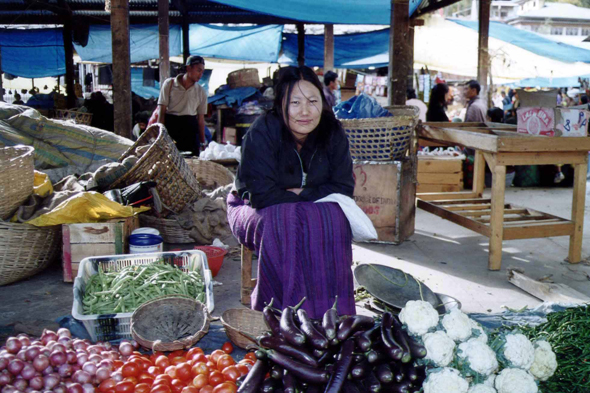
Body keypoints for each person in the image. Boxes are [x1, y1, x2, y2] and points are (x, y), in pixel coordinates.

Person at [228, 65, 356, 319]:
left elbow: (343, 188)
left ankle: (330, 313)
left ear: (324, 101)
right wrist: (309, 194)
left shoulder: (333, 131)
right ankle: (277, 313)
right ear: (281, 104)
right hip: (250, 206)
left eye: (312, 101)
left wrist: (300, 193)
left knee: (334, 218)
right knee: (283, 219)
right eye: (295, 102)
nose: (305, 111)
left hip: (309, 203)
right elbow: (261, 195)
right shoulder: (262, 131)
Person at [150, 55, 207, 156]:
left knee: (191, 163)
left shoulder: (201, 91)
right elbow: (161, 112)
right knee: (170, 161)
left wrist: (202, 142)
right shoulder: (169, 84)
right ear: (188, 68)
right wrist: (160, 135)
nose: (201, 74)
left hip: (190, 130)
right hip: (172, 127)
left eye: (202, 71)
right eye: (198, 70)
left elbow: (200, 120)